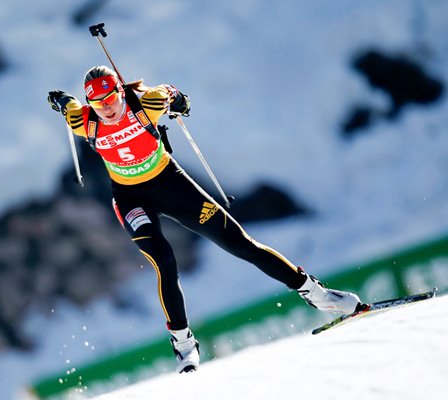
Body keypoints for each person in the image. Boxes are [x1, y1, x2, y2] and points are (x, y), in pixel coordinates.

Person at [48, 66, 362, 373]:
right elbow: (69, 106)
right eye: (99, 104)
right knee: (164, 260)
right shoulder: (84, 121)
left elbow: (172, 94)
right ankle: (184, 346)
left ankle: (318, 295)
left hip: (171, 185)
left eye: (113, 99)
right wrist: (59, 98)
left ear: (121, 91)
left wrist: (180, 101)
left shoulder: (146, 104)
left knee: (241, 244)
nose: (108, 109)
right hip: (131, 199)